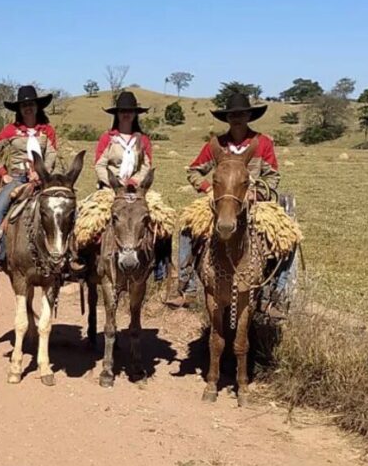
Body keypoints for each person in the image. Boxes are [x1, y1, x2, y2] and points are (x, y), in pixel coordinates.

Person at [176, 92, 284, 305]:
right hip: (220, 200)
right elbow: (194, 170)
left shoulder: (262, 142)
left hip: (254, 202)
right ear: (226, 118)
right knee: (187, 229)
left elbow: (272, 176)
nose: (237, 118)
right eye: (232, 114)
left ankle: (274, 293)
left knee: (284, 236)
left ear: (249, 116)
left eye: (241, 114)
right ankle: (187, 285)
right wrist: (208, 189)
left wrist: (256, 193)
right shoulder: (216, 144)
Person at [0, 85, 59, 267]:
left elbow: (52, 155)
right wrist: (3, 173)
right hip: (17, 178)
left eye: (31, 104)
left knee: (64, 206)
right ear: (19, 109)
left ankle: (68, 252)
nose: (28, 108)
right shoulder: (11, 130)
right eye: (24, 105)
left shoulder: (47, 130)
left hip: (43, 178)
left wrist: (41, 172)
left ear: (37, 107)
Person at [93, 91, 167, 281]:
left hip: (138, 189)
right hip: (111, 188)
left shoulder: (143, 140)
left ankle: (161, 267)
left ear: (135, 114)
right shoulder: (107, 138)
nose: (126, 114)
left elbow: (146, 166)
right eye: (122, 111)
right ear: (117, 114)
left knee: (162, 220)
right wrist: (114, 184)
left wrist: (135, 181)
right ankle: (86, 263)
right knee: (89, 221)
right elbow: (99, 165)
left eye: (130, 111)